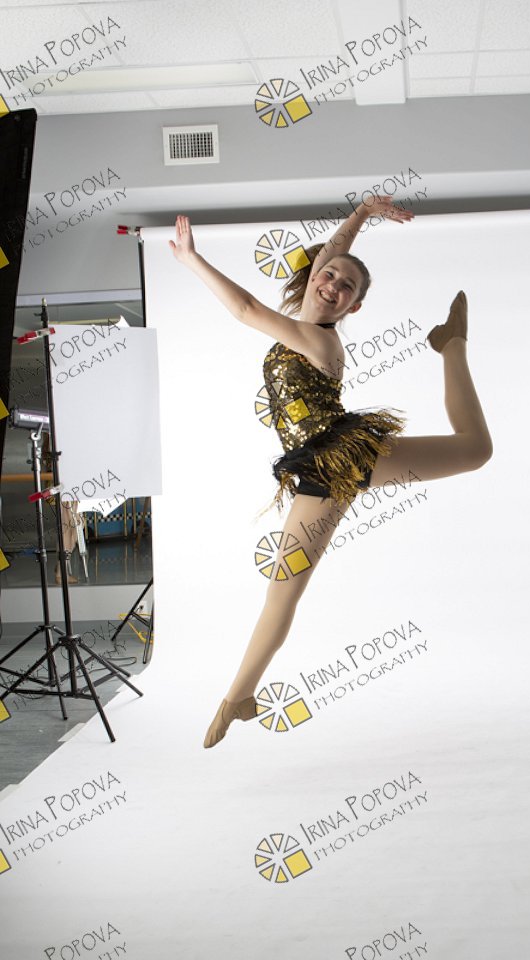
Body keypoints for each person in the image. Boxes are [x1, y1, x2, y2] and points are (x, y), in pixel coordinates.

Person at [169, 196, 492, 748]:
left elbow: (244, 308)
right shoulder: (304, 316)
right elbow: (332, 254)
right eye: (328, 275)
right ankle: (239, 697)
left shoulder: (318, 338)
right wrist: (361, 214)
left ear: (353, 307)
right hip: (319, 475)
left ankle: (451, 345)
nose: (333, 284)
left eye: (347, 287)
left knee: (476, 449)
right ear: (313, 276)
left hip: (346, 454)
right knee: (282, 591)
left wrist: (191, 260)